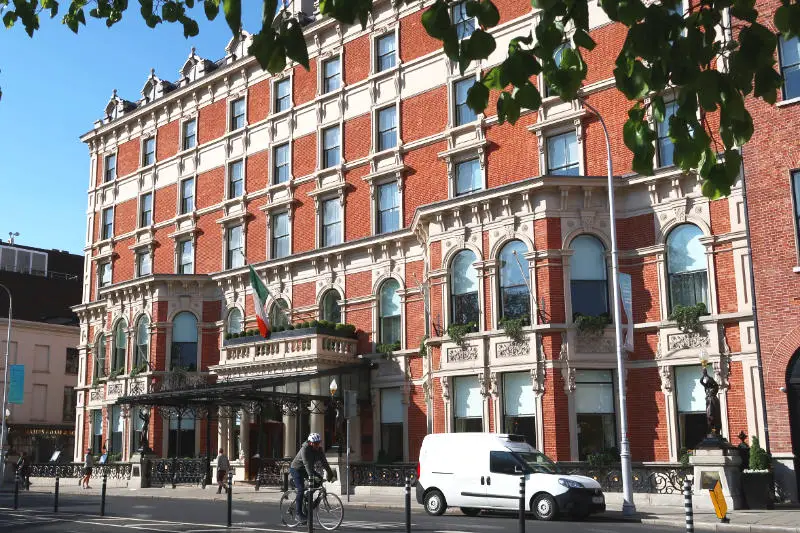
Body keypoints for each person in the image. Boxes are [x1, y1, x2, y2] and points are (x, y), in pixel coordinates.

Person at [289, 433, 335, 524]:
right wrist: (311, 476)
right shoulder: (304, 449)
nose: (318, 445)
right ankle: (298, 514)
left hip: (307, 469)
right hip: (296, 469)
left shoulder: (319, 450)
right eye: (316, 443)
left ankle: (307, 497)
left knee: (319, 479)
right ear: (310, 443)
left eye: (319, 443)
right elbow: (306, 464)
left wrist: (330, 473)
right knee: (301, 490)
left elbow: (324, 462)